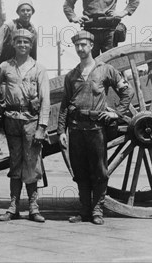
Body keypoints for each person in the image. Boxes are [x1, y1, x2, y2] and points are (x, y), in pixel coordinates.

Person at [57, 31, 133, 225]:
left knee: (99, 170)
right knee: (80, 171)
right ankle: (84, 211)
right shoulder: (72, 75)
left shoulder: (105, 70)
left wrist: (117, 113)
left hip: (96, 128)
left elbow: (127, 91)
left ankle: (98, 210)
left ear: (91, 46)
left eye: (84, 45)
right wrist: (60, 131)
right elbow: (65, 105)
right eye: (77, 46)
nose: (80, 49)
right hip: (75, 128)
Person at [0, 29, 50, 223]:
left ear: (30, 46)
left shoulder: (39, 69)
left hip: (31, 120)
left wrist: (42, 127)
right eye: (19, 42)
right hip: (11, 120)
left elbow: (45, 100)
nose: (22, 45)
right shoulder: (5, 67)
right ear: (13, 44)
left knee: (32, 163)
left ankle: (33, 208)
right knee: (15, 163)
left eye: (26, 42)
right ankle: (13, 207)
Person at [0, 0, 38, 72]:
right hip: (4, 66)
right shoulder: (9, 27)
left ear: (32, 12)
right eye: (22, 10)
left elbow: (33, 55)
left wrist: (33, 71)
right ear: (18, 13)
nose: (26, 13)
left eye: (28, 10)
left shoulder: (33, 32)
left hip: (21, 69)